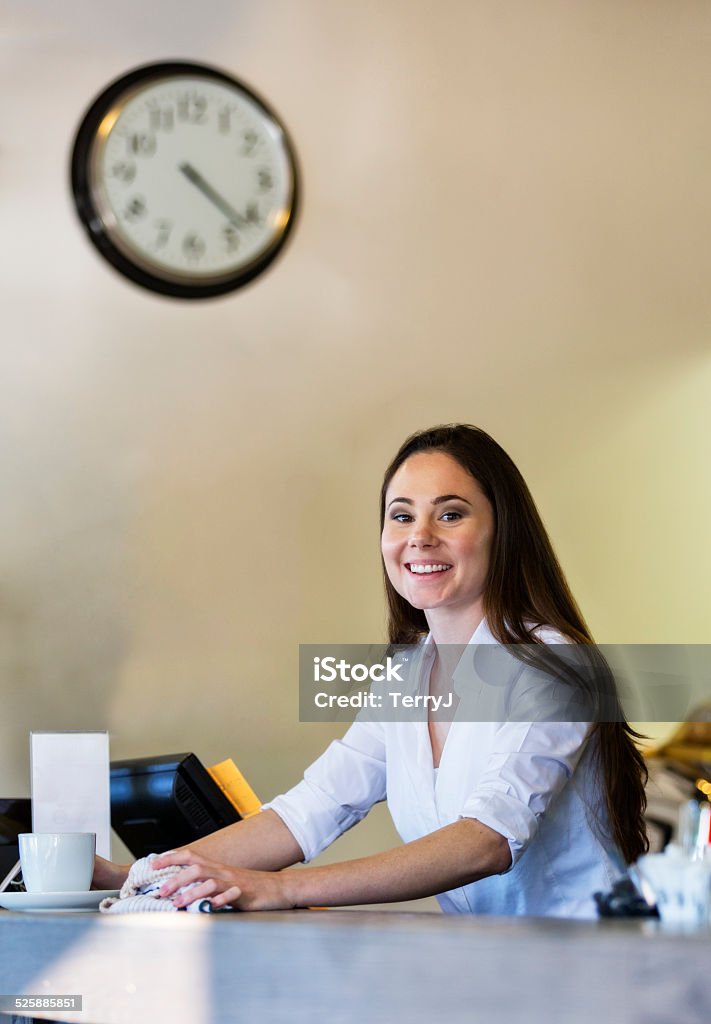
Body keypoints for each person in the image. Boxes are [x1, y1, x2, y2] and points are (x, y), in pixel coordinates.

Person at [94, 424, 648, 917]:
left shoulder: (550, 667)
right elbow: (309, 811)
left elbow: (487, 840)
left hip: (591, 970)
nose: (419, 536)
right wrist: (137, 876)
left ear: (503, 531)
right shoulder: (407, 679)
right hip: (493, 966)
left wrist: (275, 889)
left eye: (450, 514)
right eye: (401, 515)